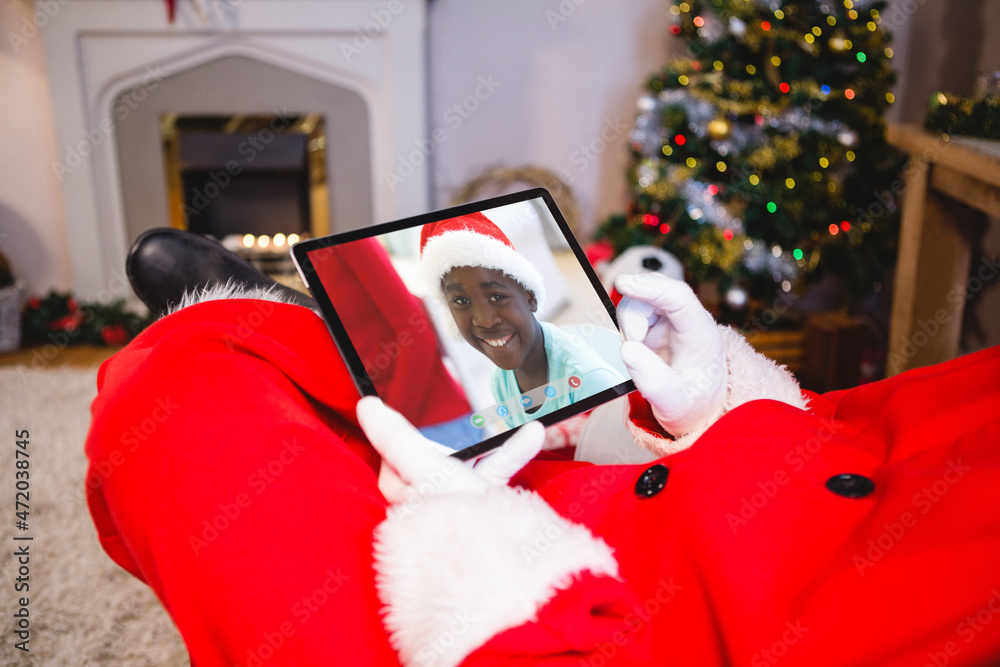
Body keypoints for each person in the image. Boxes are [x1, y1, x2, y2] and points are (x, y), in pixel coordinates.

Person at [84, 228, 1000, 666]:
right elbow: (870, 438)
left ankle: (263, 339)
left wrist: (479, 567)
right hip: (680, 482)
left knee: (169, 407)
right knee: (393, 407)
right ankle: (297, 352)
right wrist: (732, 404)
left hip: (557, 607)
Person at [419, 213, 626, 426]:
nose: (485, 321)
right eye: (461, 301)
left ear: (530, 297)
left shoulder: (591, 382)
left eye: (497, 297)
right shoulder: (500, 380)